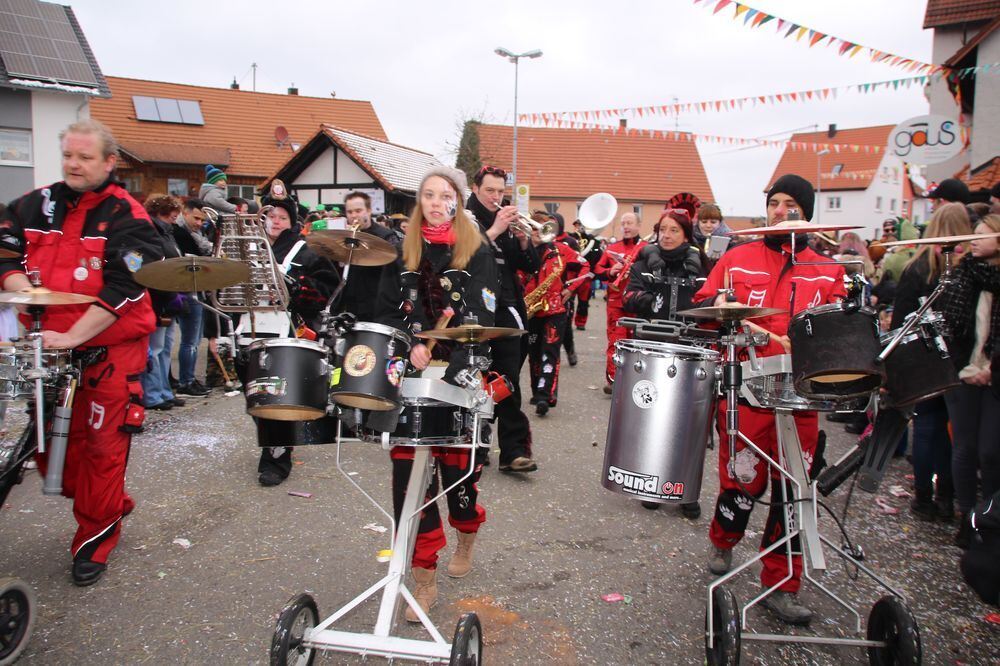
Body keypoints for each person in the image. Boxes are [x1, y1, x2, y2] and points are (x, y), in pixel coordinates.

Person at [0, 119, 163, 586]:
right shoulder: (33, 204)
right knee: (52, 455)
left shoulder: (128, 216)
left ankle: (94, 539)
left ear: (109, 162)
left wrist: (74, 336)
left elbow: (130, 283)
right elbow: (5, 250)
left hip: (110, 353)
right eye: (68, 155)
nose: (73, 164)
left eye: (84, 157)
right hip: (48, 353)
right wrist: (21, 291)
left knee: (103, 450)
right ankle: (110, 504)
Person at [698, 174, 845, 625]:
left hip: (801, 398)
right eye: (774, 203)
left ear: (806, 212)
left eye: (790, 205)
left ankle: (782, 581)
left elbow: (839, 334)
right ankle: (724, 538)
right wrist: (719, 306)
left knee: (793, 490)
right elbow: (705, 308)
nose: (780, 211)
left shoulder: (828, 270)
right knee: (741, 478)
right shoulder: (738, 258)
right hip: (747, 390)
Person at [375, 166, 497, 622]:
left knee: (459, 480)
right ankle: (423, 579)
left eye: (444, 194)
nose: (435, 200)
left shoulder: (477, 249)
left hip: (461, 372)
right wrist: (409, 345)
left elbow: (484, 311)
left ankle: (467, 530)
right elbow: (388, 312)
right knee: (410, 481)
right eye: (427, 194)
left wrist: (447, 346)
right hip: (411, 378)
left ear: (457, 201)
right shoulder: (401, 250)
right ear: (419, 202)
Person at [245, 183, 339, 486]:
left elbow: (326, 289)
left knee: (274, 395)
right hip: (251, 329)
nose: (275, 221)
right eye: (270, 214)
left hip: (286, 331)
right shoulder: (248, 245)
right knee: (255, 397)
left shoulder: (307, 249)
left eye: (282, 216)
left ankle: (276, 458)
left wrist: (298, 290)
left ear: (292, 221)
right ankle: (274, 441)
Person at [891, 203, 972, 522]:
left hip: (921, 357)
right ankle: (947, 497)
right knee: (955, 433)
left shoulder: (916, 266)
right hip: (957, 360)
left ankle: (923, 497)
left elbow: (901, 320)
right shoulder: (966, 266)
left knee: (925, 427)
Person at [466, 165, 540, 472]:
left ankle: (513, 451)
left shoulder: (507, 221)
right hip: (474, 308)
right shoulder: (464, 218)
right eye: (490, 191)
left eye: (501, 192)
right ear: (475, 188)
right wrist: (495, 229)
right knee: (474, 379)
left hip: (507, 307)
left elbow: (528, 266)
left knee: (508, 378)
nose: (496, 197)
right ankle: (474, 448)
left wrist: (525, 241)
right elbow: (463, 257)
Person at [940, 213, 1000, 547]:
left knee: (992, 452)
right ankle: (968, 517)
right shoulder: (962, 276)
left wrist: (992, 367)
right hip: (962, 372)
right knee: (964, 447)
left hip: (995, 374)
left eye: (983, 233)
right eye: (972, 234)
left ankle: (990, 517)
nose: (974, 239)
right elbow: (950, 327)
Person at [523, 212, 585, 416]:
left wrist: (571, 288)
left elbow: (585, 266)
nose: (538, 232)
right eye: (534, 228)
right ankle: (536, 391)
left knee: (550, 351)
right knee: (534, 355)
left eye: (542, 228)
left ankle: (545, 395)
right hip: (532, 311)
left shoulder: (561, 250)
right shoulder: (523, 251)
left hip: (555, 310)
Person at [593, 211, 647, 394]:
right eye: (623, 223)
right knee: (616, 340)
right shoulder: (612, 248)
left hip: (638, 302)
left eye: (630, 223)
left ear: (638, 226)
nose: (626, 227)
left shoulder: (646, 248)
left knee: (637, 341)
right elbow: (598, 269)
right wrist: (610, 271)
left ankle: (633, 378)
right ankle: (613, 379)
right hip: (616, 301)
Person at [141, 194, 185, 411]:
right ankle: (153, 394)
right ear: (160, 214)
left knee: (165, 349)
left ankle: (165, 391)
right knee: (154, 350)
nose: (174, 221)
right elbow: (154, 268)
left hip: (169, 297)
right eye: (172, 216)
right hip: (157, 299)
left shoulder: (166, 233)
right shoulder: (150, 233)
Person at [624, 208, 707, 320]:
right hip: (647, 334)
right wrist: (645, 299)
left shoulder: (701, 268)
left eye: (674, 230)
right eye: (662, 230)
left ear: (686, 236)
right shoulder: (643, 265)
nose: (666, 235)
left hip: (687, 335)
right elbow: (627, 300)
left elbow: (707, 304)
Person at [336, 191, 400, 322]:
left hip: (377, 305)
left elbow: (396, 266)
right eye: (350, 212)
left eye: (358, 210)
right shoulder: (343, 237)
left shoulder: (386, 236)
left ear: (369, 210)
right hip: (350, 305)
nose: (354, 215)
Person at [692, 203, 733, 269]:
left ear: (720, 223)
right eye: (704, 222)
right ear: (698, 222)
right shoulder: (690, 240)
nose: (708, 226)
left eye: (713, 222)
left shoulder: (730, 241)